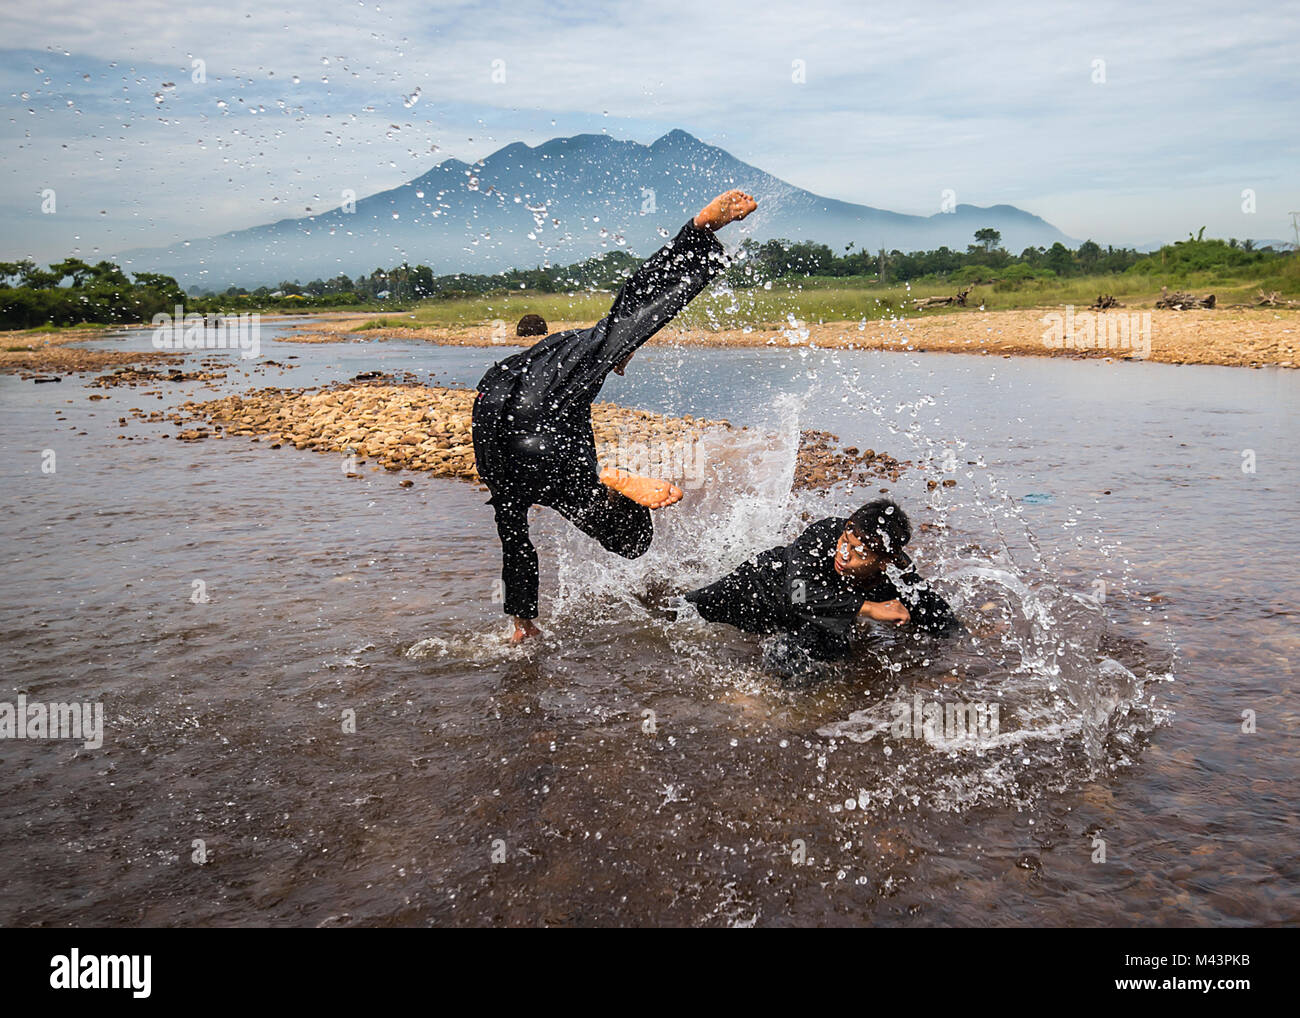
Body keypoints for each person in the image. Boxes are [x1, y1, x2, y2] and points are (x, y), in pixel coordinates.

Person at [472, 189, 758, 642]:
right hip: (535, 412)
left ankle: (521, 626)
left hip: (493, 401)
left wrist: (521, 618)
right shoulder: (576, 357)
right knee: (622, 535)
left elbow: (517, 543)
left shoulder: (565, 359)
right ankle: (608, 478)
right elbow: (635, 310)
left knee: (515, 499)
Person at [682, 498, 959, 665]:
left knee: (808, 654)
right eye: (844, 542)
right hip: (757, 589)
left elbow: (933, 611)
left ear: (885, 561)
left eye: (858, 553)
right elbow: (800, 596)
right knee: (678, 615)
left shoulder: (896, 569)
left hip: (806, 620)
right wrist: (870, 608)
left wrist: (961, 655)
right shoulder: (824, 533)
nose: (843, 555)